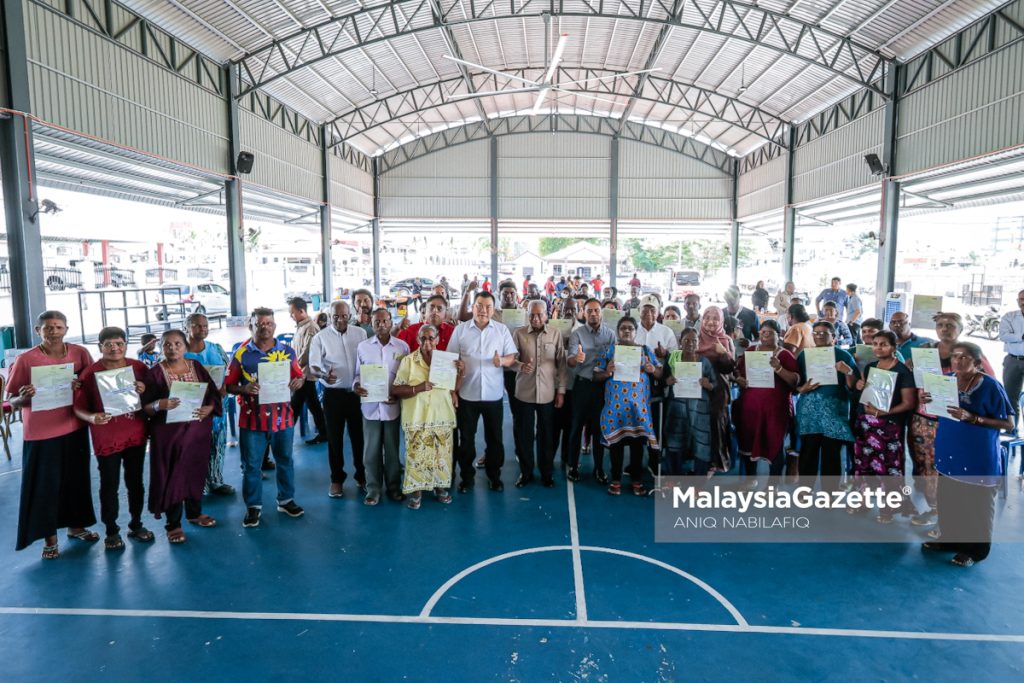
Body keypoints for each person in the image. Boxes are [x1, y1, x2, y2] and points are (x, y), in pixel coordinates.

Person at [8, 310, 97, 559]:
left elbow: (92, 384)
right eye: (48, 328)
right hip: (41, 433)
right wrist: (25, 397)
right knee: (45, 486)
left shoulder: (80, 353)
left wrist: (82, 386)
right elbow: (12, 399)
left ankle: (76, 527)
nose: (54, 332)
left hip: (74, 426)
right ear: (39, 331)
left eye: (58, 327)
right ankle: (50, 538)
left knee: (76, 481)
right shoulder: (27, 359)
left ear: (66, 329)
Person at [921, 341, 1014, 567]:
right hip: (949, 447)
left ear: (977, 362)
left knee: (976, 504)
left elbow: (1008, 424)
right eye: (955, 357)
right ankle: (949, 540)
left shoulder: (990, 386)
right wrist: (929, 402)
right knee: (949, 500)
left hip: (977, 452)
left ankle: (976, 550)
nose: (958, 361)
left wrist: (973, 418)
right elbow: (941, 412)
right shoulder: (946, 381)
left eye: (964, 357)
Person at [905, 312, 994, 526]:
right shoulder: (926, 351)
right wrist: (909, 365)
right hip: (922, 418)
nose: (945, 329)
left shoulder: (970, 354)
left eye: (951, 325)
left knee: (946, 470)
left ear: (961, 329)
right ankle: (934, 510)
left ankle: (948, 519)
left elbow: (988, 382)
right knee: (924, 467)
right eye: (941, 325)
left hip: (951, 421)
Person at [225, 308, 306, 528]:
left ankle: (286, 500)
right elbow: (228, 385)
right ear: (251, 325)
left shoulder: (288, 352)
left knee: (285, 461)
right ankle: (253, 506)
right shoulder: (241, 354)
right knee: (251, 466)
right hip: (252, 420)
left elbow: (298, 377)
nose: (265, 327)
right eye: (259, 323)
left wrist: (299, 382)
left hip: (283, 418)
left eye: (269, 323)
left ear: (275, 326)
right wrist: (244, 388)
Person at [74, 326, 153, 550]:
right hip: (106, 437)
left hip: (136, 433)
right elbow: (78, 407)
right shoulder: (90, 373)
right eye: (108, 344)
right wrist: (92, 417)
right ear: (100, 347)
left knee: (135, 481)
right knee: (109, 484)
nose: (114, 348)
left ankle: (136, 524)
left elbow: (152, 398)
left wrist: (144, 389)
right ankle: (111, 529)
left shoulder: (138, 367)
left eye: (119, 343)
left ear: (126, 345)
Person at [142, 330, 222, 543]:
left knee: (195, 471)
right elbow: (145, 408)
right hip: (169, 435)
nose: (173, 348)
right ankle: (173, 524)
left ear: (185, 347)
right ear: (161, 347)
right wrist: (160, 404)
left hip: (197, 432)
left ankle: (195, 513)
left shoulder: (196, 367)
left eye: (178, 344)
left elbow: (212, 393)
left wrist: (209, 407)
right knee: (172, 476)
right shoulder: (155, 373)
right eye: (167, 345)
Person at [448, 290, 518, 492]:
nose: (483, 310)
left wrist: (502, 361)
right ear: (473, 307)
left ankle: (494, 476)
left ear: (493, 309)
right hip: (466, 395)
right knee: (466, 440)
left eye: (488, 307)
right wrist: (453, 388)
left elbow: (512, 356)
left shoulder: (501, 330)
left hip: (493, 395)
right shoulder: (460, 331)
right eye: (479, 305)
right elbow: (450, 359)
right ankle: (466, 478)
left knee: (495, 439)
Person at [391, 325, 462, 509]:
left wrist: (462, 372)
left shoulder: (447, 360)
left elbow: (453, 387)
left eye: (431, 338)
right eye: (423, 338)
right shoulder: (408, 361)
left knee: (441, 456)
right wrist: (417, 388)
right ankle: (416, 491)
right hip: (417, 417)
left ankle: (440, 488)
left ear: (438, 339)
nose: (427, 342)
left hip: (441, 416)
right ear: (417, 339)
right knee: (416, 456)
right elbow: (396, 389)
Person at [850, 330, 917, 522]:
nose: (878, 348)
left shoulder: (903, 371)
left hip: (889, 426)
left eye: (884, 344)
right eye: (875, 344)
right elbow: (864, 393)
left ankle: (887, 509)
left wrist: (883, 413)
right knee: (863, 465)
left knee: (889, 468)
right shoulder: (871, 367)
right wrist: (859, 386)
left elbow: (908, 403)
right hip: (866, 424)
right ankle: (862, 501)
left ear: (894, 348)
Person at [592, 316, 662, 495]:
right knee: (616, 444)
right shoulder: (610, 351)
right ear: (618, 331)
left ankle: (637, 482)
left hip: (638, 409)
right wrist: (607, 372)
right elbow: (596, 376)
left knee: (638, 445)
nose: (627, 331)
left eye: (630, 328)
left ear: (635, 331)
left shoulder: (645, 351)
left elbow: (660, 373)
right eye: (623, 328)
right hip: (615, 409)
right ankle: (615, 480)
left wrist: (652, 370)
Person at [308, 300, 369, 498]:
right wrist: (324, 375)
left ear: (349, 315)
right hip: (332, 395)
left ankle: (362, 475)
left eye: (344, 316)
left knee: (359, 437)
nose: (340, 320)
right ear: (329, 316)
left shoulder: (360, 334)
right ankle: (336, 479)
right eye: (336, 316)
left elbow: (366, 360)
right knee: (334, 439)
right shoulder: (320, 337)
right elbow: (313, 366)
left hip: (356, 394)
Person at [353, 308, 410, 505]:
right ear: (372, 324)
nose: (381, 325)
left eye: (385, 321)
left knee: (393, 450)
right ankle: (373, 489)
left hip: (393, 408)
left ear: (391, 322)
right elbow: (357, 375)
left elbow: (406, 376)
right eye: (377, 322)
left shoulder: (402, 347)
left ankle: (394, 487)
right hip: (370, 408)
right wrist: (357, 386)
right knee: (371, 451)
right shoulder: (363, 347)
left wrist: (398, 393)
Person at [794, 321, 859, 485]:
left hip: (834, 411)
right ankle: (805, 489)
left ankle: (830, 492)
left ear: (834, 337)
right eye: (815, 333)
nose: (819, 336)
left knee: (832, 453)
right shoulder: (804, 355)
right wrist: (803, 388)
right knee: (808, 451)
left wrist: (848, 372)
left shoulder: (844, 356)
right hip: (810, 410)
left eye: (824, 333)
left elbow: (853, 385)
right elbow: (797, 383)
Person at [733, 320, 799, 480]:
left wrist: (779, 368)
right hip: (750, 408)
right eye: (762, 332)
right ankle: (751, 479)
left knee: (774, 444)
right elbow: (738, 371)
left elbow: (795, 381)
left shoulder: (784, 355)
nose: (765, 336)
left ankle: (773, 485)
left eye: (770, 333)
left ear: (779, 335)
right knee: (747, 444)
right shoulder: (751, 351)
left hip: (775, 410)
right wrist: (739, 379)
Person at [512, 300, 567, 487]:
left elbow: (562, 365)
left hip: (547, 394)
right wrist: (520, 366)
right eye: (532, 315)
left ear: (547, 314)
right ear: (527, 315)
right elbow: (511, 360)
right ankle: (526, 473)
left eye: (539, 315)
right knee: (524, 435)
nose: (535, 318)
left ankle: (546, 473)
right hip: (524, 393)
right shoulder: (518, 333)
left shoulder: (555, 334)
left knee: (547, 435)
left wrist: (561, 391)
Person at [183, 312, 235, 496]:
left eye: (205, 325)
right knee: (193, 447)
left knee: (217, 444)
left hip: (216, 406)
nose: (202, 329)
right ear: (187, 327)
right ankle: (196, 484)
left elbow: (229, 373)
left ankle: (216, 480)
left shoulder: (216, 349)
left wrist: (225, 388)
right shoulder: (179, 351)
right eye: (197, 325)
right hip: (191, 408)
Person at [566, 298, 615, 482]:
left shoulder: (610, 335)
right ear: (583, 313)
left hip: (601, 387)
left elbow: (613, 360)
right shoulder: (577, 334)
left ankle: (599, 468)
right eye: (589, 311)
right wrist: (576, 358)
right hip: (582, 386)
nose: (593, 314)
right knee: (576, 427)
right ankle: (573, 466)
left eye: (596, 310)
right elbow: (570, 359)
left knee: (599, 429)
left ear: (601, 313)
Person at [663, 328, 716, 475]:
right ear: (680, 342)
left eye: (694, 340)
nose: (690, 343)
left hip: (699, 409)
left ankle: (698, 482)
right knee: (674, 441)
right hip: (676, 409)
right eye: (686, 340)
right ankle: (674, 478)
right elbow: (662, 380)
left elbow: (714, 384)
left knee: (701, 443)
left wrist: (708, 384)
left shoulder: (704, 362)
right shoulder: (673, 360)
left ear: (698, 343)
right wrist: (667, 381)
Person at [696, 306, 737, 473]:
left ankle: (715, 462)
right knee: (697, 422)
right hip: (697, 386)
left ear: (721, 321)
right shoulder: (695, 338)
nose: (711, 321)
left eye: (715, 318)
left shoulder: (725, 340)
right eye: (707, 317)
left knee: (715, 422)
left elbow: (729, 369)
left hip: (718, 390)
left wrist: (723, 353)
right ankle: (697, 458)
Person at [287, 297, 327, 446]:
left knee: (295, 406)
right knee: (313, 405)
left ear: (301, 311)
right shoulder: (301, 327)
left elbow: (307, 353)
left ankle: (286, 435)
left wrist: (295, 369)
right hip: (302, 373)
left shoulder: (310, 328)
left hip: (305, 374)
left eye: (292, 313)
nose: (291, 316)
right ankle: (324, 432)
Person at [997, 288, 1024, 433]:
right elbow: (1003, 336)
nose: (1023, 302)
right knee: (1010, 396)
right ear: (1018, 301)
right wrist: (1020, 336)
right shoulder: (1010, 317)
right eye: (1021, 299)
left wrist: (1014, 335)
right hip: (1013, 360)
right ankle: (1012, 429)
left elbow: (1009, 336)